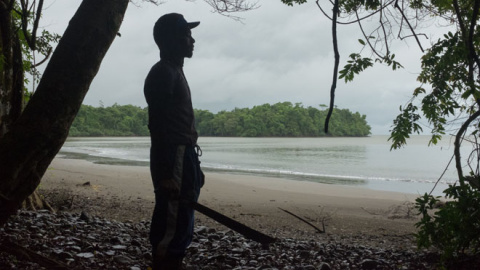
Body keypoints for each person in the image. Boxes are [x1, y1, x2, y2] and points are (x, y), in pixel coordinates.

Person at [143, 13, 204, 269]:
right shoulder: (163, 73)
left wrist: (194, 166)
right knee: (172, 215)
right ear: (170, 40)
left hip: (185, 153)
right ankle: (165, 262)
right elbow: (158, 126)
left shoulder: (174, 70)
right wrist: (166, 172)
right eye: (185, 35)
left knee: (183, 210)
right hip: (174, 155)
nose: (192, 40)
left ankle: (174, 260)